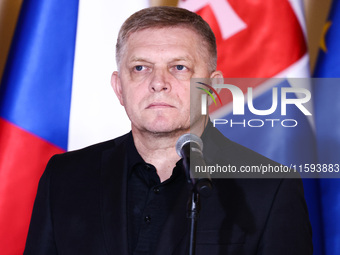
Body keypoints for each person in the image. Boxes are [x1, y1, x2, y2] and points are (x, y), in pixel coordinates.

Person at [24, 6, 312, 255]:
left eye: (179, 67)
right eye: (140, 68)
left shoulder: (271, 187)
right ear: (119, 87)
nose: (158, 82)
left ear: (213, 88)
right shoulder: (64, 176)